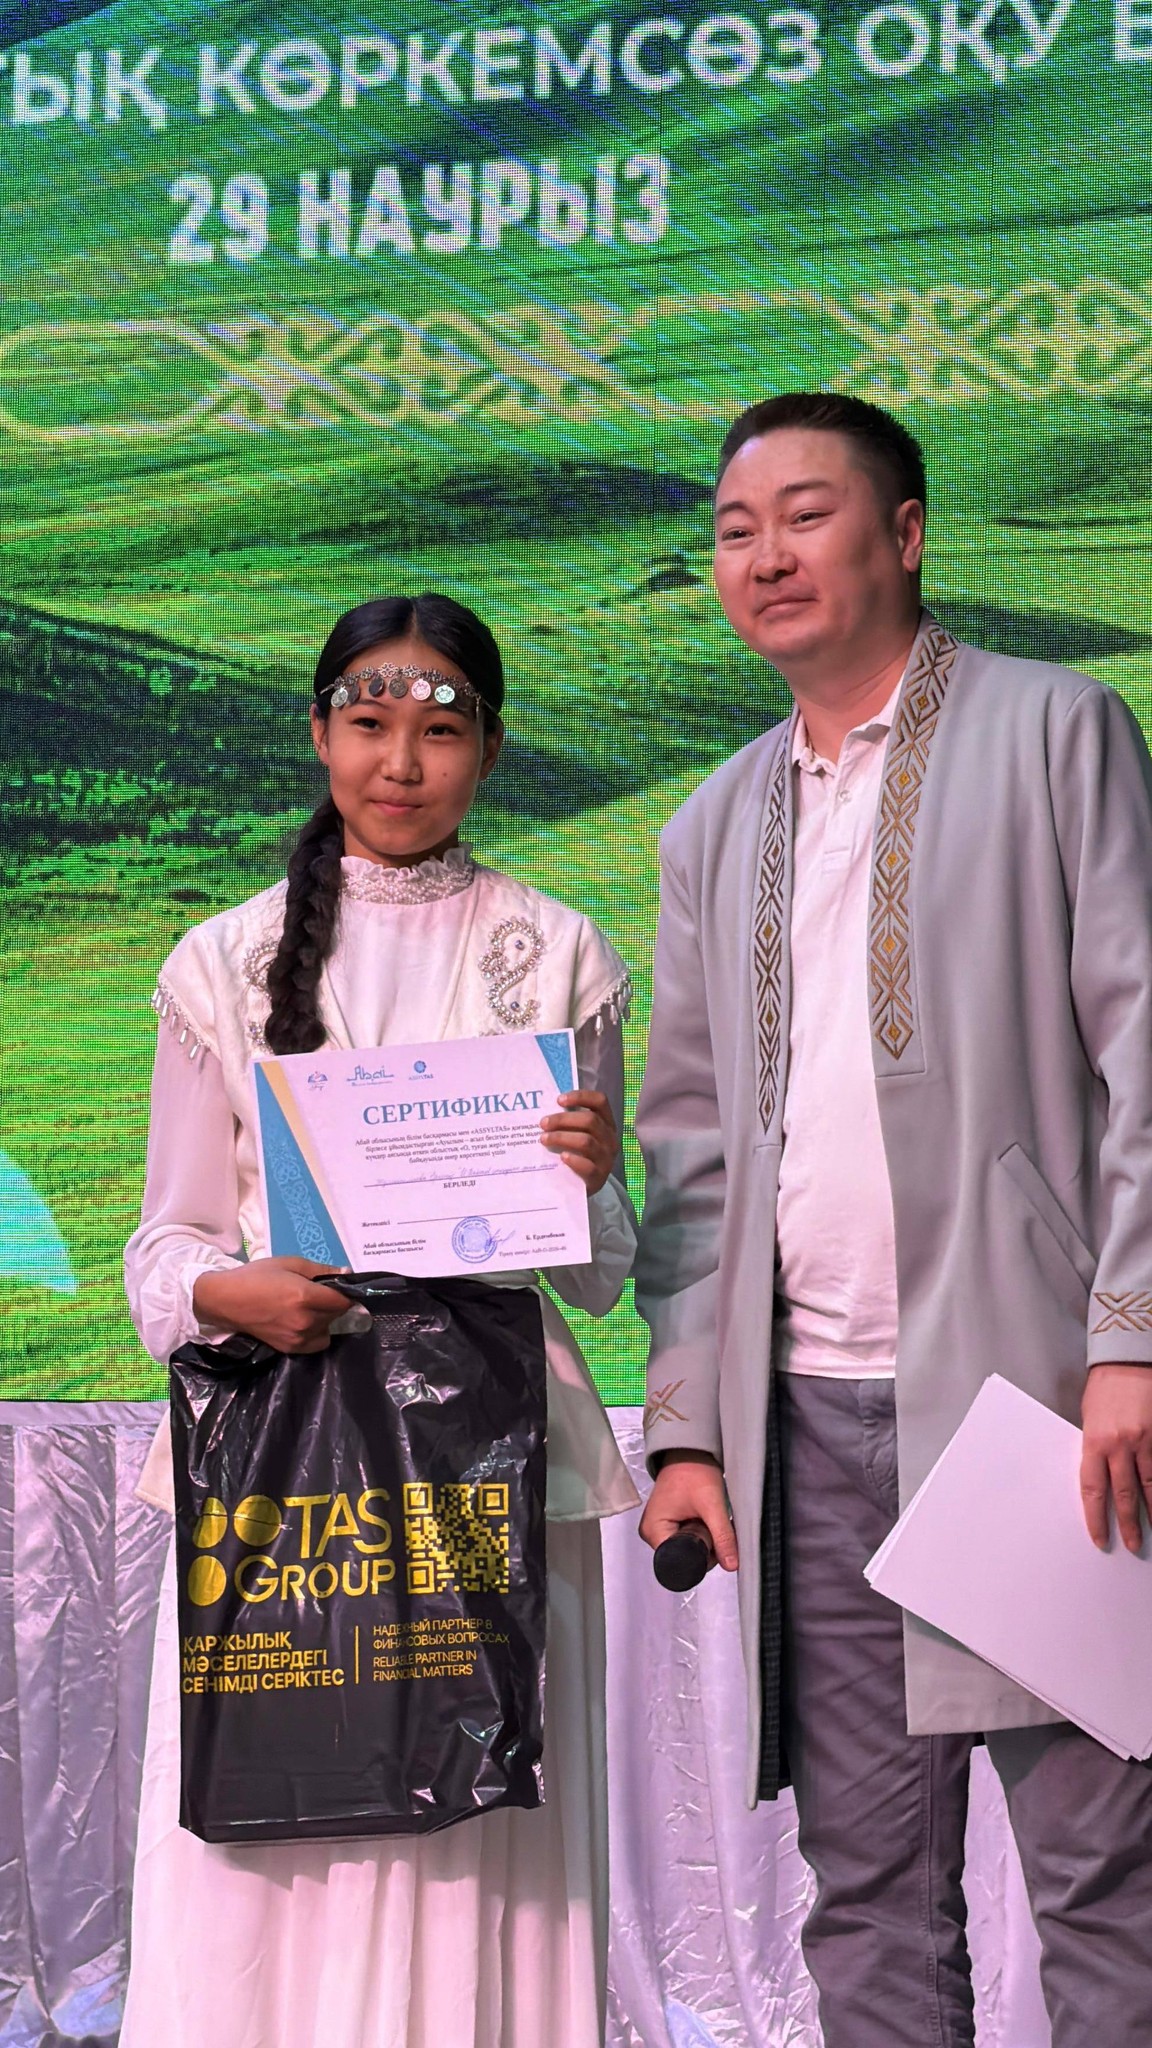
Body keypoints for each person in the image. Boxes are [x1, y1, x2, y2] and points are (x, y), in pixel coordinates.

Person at [633, 392, 1152, 2048]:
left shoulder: (1057, 730)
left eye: (807, 514)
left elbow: (1146, 1048)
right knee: (865, 1892)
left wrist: (1132, 1341)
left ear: (907, 533)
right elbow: (690, 1153)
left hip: (1035, 1409)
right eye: (736, 531)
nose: (766, 555)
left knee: (1104, 1877)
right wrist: (688, 1430)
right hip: (805, 1426)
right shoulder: (714, 822)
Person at [122, 592, 639, 2048]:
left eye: (440, 731)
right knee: (277, 1799)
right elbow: (165, 1246)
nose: (400, 763)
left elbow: (601, 1271)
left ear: (491, 750)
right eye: (367, 723)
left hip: (496, 1451)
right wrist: (230, 1289)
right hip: (286, 1455)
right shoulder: (221, 962)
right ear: (319, 735)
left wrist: (593, 1180)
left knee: (488, 1826)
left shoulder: (560, 952)